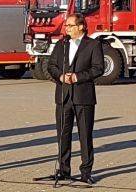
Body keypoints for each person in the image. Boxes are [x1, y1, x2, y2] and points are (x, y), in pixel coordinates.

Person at [46, 13, 104, 184]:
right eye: (66, 26)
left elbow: (98, 68)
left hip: (83, 96)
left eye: (70, 25)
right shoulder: (61, 44)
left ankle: (86, 171)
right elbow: (51, 65)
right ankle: (63, 169)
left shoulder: (93, 45)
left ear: (81, 26)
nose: (67, 28)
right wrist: (61, 76)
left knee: (85, 135)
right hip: (63, 96)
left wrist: (78, 77)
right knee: (63, 134)